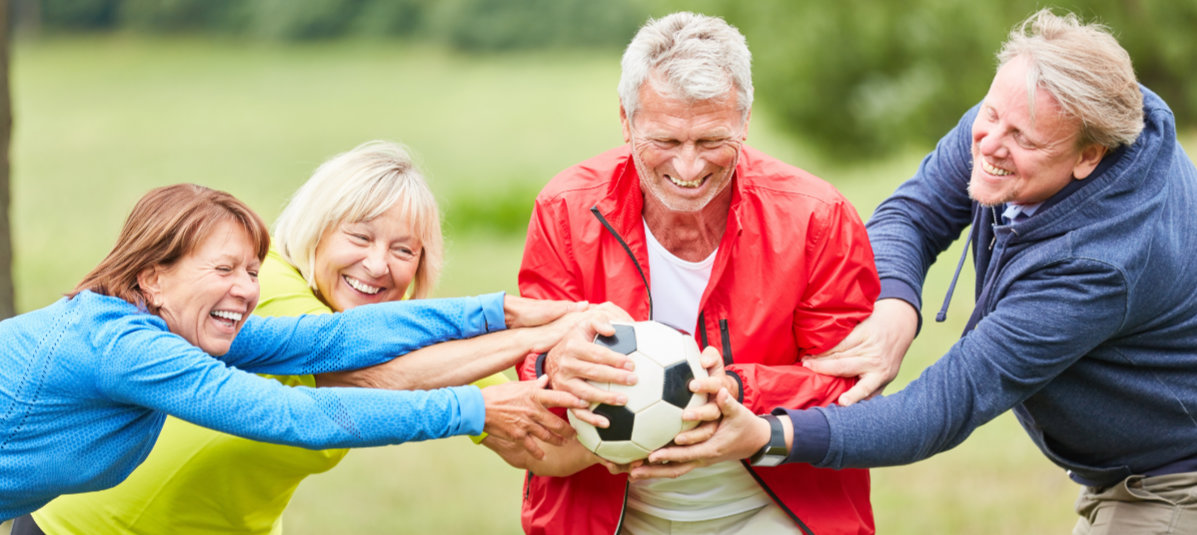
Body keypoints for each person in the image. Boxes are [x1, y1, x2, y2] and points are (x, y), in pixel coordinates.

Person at [643, 9, 1197, 534]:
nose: (989, 145)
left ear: (1087, 156)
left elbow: (943, 406)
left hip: (1172, 480)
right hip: (1130, 470)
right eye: (989, 115)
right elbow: (912, 214)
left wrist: (768, 433)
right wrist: (896, 306)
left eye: (1021, 140)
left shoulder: (1098, 265)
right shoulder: (1032, 107)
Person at [27, 142, 589, 533]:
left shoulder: (226, 319)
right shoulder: (255, 287)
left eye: (403, 250)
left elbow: (533, 446)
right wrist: (523, 347)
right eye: (360, 236)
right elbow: (357, 386)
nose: (377, 265)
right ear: (318, 231)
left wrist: (634, 439)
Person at [516, 12, 881, 534]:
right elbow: (530, 353)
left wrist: (725, 389)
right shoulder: (564, 208)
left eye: (711, 141)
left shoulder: (817, 218)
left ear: (745, 120)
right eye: (665, 141)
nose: (688, 170)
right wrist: (552, 363)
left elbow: (850, 388)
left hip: (775, 509)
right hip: (602, 512)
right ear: (626, 119)